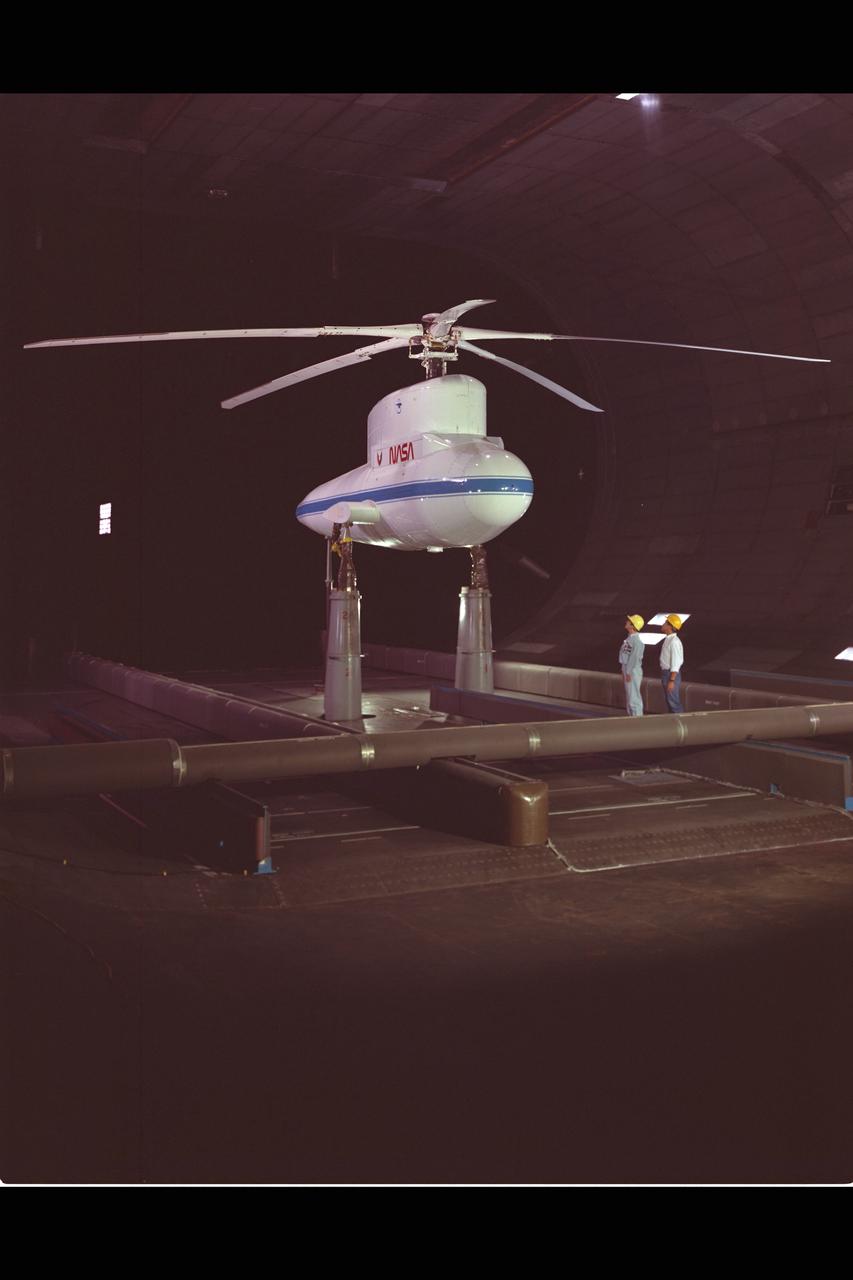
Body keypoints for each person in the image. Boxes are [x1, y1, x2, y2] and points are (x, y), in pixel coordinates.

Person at [619, 615, 645, 716]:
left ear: (633, 626)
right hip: (628, 669)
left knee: (633, 696)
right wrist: (624, 670)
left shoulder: (637, 642)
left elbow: (634, 658)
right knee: (630, 695)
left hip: (632, 670)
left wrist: (628, 672)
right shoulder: (630, 639)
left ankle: (637, 719)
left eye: (629, 621)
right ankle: (632, 718)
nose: (627, 622)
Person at [660, 613, 685, 713]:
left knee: (674, 703)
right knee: (670, 702)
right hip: (667, 673)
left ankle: (682, 726)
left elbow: (676, 662)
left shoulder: (674, 641)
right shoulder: (669, 639)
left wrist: (671, 680)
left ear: (670, 626)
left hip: (671, 674)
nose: (663, 624)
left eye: (665, 622)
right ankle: (675, 726)